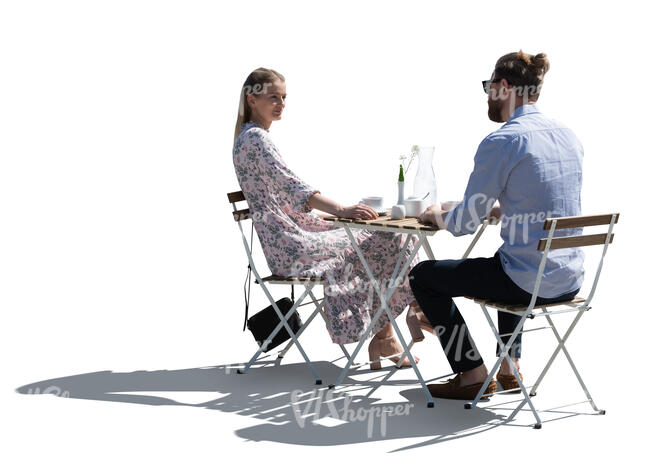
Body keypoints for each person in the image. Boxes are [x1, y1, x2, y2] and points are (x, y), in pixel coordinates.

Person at [409, 50, 584, 399]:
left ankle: (471, 373)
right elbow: (549, 201)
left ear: (504, 86)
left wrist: (433, 215)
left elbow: (462, 224)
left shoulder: (504, 139)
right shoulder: (568, 135)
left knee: (423, 275)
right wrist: (505, 210)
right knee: (508, 259)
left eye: (489, 86)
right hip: (569, 277)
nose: (488, 94)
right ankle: (510, 367)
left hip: (526, 281)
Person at [232, 68, 429, 368]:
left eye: (284, 98)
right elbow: (294, 187)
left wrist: (329, 220)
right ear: (251, 98)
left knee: (383, 238)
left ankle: (387, 334)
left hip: (290, 239)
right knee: (393, 237)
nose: (281, 104)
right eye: (273, 97)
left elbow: (282, 202)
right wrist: (342, 211)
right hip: (292, 249)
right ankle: (414, 311)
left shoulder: (247, 139)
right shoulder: (256, 140)